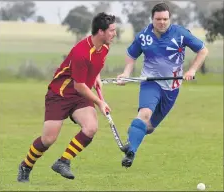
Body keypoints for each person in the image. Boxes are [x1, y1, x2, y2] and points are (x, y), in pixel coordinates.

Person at [17, 12, 116, 182]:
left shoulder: (105, 46)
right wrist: (100, 102)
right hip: (60, 94)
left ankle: (63, 161)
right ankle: (26, 165)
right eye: (112, 31)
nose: (114, 34)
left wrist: (97, 78)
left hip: (80, 96)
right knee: (48, 140)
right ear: (101, 31)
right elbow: (79, 85)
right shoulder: (81, 52)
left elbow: (95, 67)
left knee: (90, 128)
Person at [117, 3, 208, 168]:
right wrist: (126, 73)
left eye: (165, 19)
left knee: (148, 127)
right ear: (152, 19)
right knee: (144, 114)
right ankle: (131, 154)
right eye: (158, 19)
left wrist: (192, 70)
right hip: (150, 83)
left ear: (169, 19)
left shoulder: (180, 33)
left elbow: (203, 50)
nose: (162, 22)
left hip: (172, 88)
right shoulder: (143, 36)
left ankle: (133, 136)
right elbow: (131, 55)